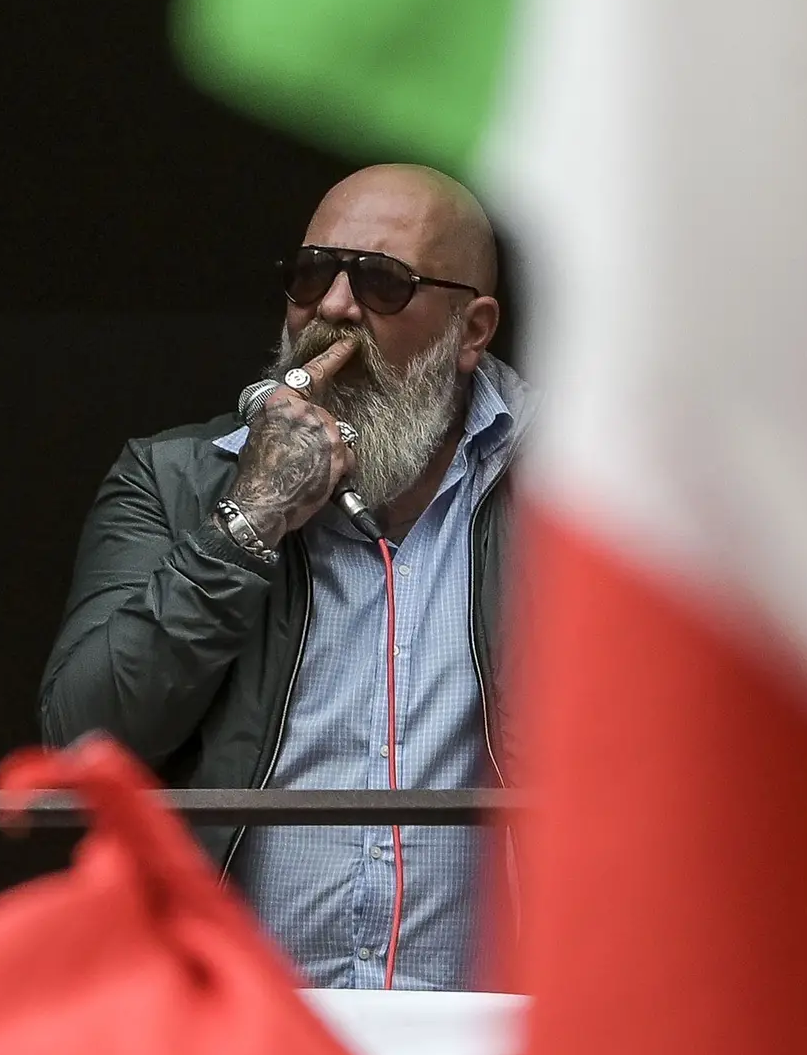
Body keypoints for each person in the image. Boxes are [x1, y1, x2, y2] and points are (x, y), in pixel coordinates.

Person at [40, 165, 526, 989]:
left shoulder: (576, 495)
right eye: (310, 274)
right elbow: (82, 737)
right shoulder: (173, 479)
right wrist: (248, 519)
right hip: (242, 1034)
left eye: (381, 281)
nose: (333, 307)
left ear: (471, 329)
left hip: (500, 1044)